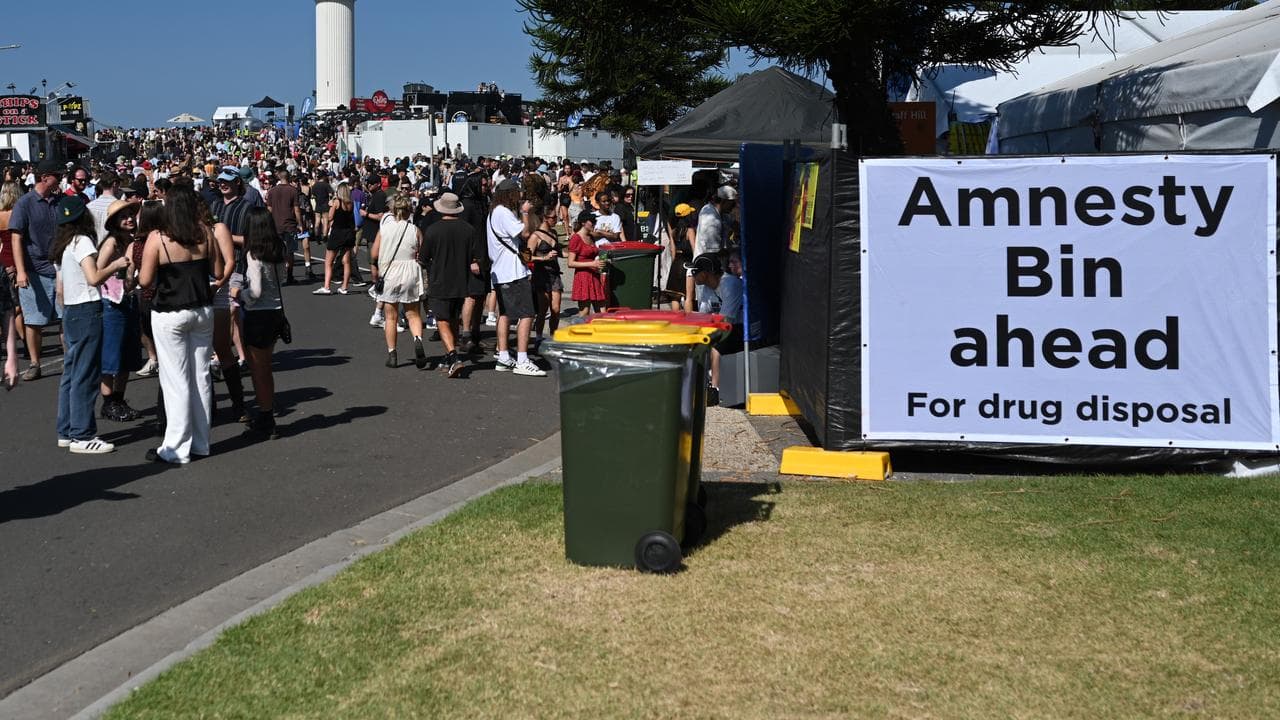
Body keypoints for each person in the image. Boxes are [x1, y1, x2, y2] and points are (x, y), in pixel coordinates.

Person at [139, 183, 217, 465]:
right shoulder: (205, 232)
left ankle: (175, 447)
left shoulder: (158, 238)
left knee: (175, 379)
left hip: (170, 310)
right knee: (201, 376)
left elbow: (145, 280)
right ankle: (200, 441)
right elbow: (217, 270)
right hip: (202, 309)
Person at [51, 196, 130, 453]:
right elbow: (94, 276)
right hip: (86, 309)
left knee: (72, 373)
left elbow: (62, 287)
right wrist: (116, 264)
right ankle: (82, 435)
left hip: (72, 310)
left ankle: (67, 430)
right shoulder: (83, 241)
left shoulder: (64, 245)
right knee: (86, 374)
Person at [10, 158, 66, 381]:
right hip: (35, 270)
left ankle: (69, 358)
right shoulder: (24, 204)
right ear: (45, 178)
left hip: (60, 269)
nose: (60, 180)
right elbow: (16, 238)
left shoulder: (60, 201)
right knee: (34, 320)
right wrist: (21, 271)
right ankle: (35, 363)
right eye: (57, 176)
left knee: (65, 317)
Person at [233, 207, 286, 438]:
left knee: (258, 370)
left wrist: (239, 294)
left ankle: (266, 416)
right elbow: (282, 278)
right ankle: (267, 412)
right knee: (266, 368)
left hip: (258, 314)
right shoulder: (278, 250)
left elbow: (254, 291)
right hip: (275, 311)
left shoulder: (253, 254)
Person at [486, 177, 545, 377]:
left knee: (505, 314)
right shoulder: (503, 213)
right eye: (517, 192)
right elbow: (526, 233)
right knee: (527, 314)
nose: (520, 196)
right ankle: (522, 359)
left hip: (501, 271)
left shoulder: (494, 212)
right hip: (512, 272)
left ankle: (504, 356)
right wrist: (526, 212)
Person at [420, 192, 481, 378]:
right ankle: (449, 354)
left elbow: (423, 257)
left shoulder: (433, 230)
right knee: (454, 317)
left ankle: (453, 356)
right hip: (460, 279)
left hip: (439, 278)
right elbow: (475, 255)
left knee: (442, 319)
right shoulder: (468, 229)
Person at [96, 200, 144, 421]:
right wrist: (116, 267)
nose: (129, 219)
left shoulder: (132, 241)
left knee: (128, 354)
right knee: (111, 355)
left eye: (130, 215)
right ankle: (108, 402)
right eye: (123, 216)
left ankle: (118, 398)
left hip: (129, 299)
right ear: (114, 222)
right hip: (112, 302)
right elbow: (97, 272)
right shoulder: (112, 242)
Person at [370, 194, 426, 369]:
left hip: (391, 271)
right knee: (413, 313)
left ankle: (392, 352)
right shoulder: (414, 229)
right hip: (410, 271)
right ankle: (417, 339)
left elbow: (374, 254)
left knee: (391, 317)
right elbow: (421, 252)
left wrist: (376, 267)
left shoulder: (385, 229)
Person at [687, 252, 744, 406]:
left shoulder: (730, 284)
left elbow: (726, 319)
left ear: (705, 274)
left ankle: (715, 389)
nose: (692, 276)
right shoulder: (707, 287)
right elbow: (703, 316)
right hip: (721, 326)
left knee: (716, 346)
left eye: (695, 272)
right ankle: (698, 382)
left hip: (740, 328)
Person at [527, 209, 562, 343]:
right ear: (545, 218)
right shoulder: (535, 236)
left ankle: (554, 337)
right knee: (543, 309)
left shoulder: (554, 233)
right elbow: (527, 257)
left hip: (555, 274)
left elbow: (559, 253)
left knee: (556, 309)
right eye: (553, 218)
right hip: (541, 274)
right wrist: (544, 257)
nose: (556, 220)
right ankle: (539, 336)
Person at [265, 168, 304, 284]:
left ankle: (275, 275)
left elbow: (269, 209)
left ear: (279, 177)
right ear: (289, 178)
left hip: (276, 224)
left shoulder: (272, 191)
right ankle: (289, 276)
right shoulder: (293, 191)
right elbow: (296, 209)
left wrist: (268, 223)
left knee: (276, 250)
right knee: (290, 251)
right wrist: (300, 224)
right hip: (290, 224)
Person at [316, 182, 356, 294]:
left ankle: (326, 286)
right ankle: (344, 287)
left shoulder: (337, 202)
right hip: (348, 232)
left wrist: (331, 205)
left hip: (337, 232)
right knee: (346, 262)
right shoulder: (350, 203)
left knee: (328, 261)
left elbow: (330, 217)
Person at [568, 211, 607, 316]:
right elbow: (570, 263)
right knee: (584, 311)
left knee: (602, 311)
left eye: (595, 221)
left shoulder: (591, 236)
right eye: (592, 221)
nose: (594, 223)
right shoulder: (576, 238)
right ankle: (580, 331)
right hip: (583, 277)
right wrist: (591, 264)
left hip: (594, 276)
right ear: (583, 223)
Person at [666, 203, 697, 311]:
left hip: (676, 263)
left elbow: (672, 250)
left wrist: (674, 263)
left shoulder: (674, 231)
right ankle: (688, 323)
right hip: (687, 263)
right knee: (688, 297)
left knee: (675, 296)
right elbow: (694, 249)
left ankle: (676, 323)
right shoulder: (690, 230)